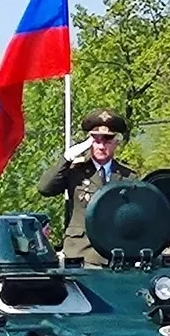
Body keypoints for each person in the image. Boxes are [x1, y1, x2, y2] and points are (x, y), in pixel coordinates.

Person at [35, 110, 134, 263]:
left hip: (116, 255)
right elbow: (45, 188)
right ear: (89, 142)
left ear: (116, 142)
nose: (101, 146)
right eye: (96, 140)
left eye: (107, 140)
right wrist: (66, 159)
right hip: (80, 252)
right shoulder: (75, 171)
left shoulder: (128, 176)